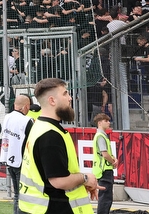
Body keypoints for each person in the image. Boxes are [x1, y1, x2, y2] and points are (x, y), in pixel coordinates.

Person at [18, 77, 99, 214]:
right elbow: (59, 181)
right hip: (51, 208)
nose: (70, 98)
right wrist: (86, 178)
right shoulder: (50, 135)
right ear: (52, 100)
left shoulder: (39, 127)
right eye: (65, 93)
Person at [0, 94, 34, 214]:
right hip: (22, 163)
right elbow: (33, 139)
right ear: (26, 107)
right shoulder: (26, 121)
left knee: (16, 195)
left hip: (9, 160)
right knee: (23, 196)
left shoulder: (7, 117)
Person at [92, 112, 118, 214]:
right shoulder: (100, 136)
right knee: (105, 198)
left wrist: (113, 159)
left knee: (106, 197)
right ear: (99, 123)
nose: (108, 122)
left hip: (103, 169)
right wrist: (113, 162)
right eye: (106, 121)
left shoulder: (101, 136)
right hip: (104, 170)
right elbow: (105, 154)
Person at [132, 35, 149, 114]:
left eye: (140, 43)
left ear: (144, 40)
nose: (139, 45)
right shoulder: (145, 49)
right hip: (148, 70)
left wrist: (139, 58)